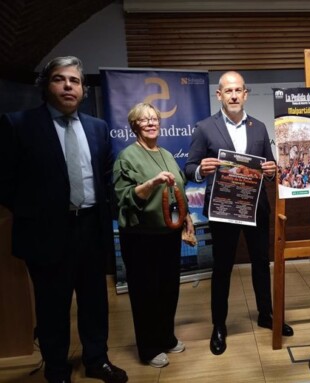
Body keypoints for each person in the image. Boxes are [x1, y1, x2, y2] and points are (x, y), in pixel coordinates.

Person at [0, 56, 127, 383]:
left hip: (90, 227)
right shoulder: (18, 124)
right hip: (45, 231)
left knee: (94, 302)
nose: (68, 85)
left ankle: (96, 359)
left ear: (84, 90)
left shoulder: (97, 128)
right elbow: (4, 183)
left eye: (75, 80)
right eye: (60, 79)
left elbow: (105, 177)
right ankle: (56, 369)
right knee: (52, 305)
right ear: (46, 85)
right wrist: (37, 211)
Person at [185, 71, 293, 356]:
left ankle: (267, 314)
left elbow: (268, 166)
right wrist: (200, 170)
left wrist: (271, 171)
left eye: (238, 90)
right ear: (218, 95)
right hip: (223, 210)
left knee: (261, 263)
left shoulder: (259, 127)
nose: (233, 95)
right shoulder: (205, 127)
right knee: (222, 268)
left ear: (246, 94)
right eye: (227, 91)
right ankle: (218, 326)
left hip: (256, 207)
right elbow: (189, 167)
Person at [113, 103, 193, 368]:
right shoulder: (127, 156)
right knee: (145, 293)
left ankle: (166, 337)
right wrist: (152, 183)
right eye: (144, 120)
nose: (150, 123)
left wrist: (187, 220)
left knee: (168, 290)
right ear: (134, 125)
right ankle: (148, 348)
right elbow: (123, 198)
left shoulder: (167, 154)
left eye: (154, 119)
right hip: (140, 236)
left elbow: (179, 189)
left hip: (168, 235)